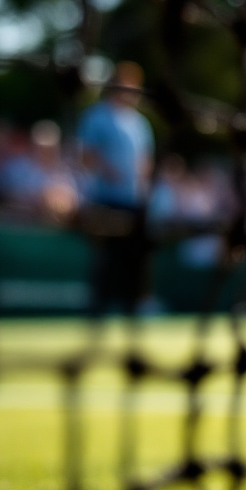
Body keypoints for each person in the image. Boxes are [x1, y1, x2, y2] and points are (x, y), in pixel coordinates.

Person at [75, 61, 155, 314]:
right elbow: (86, 155)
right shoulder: (96, 116)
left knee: (134, 258)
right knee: (106, 257)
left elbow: (146, 162)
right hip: (104, 199)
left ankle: (135, 305)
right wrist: (109, 170)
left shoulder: (141, 123)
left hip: (134, 201)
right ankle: (98, 307)